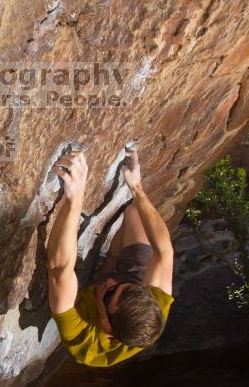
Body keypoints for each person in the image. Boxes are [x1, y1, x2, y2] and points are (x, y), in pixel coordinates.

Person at [46, 147, 174, 367]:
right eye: (124, 286)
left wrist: (74, 199)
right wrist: (136, 186)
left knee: (62, 285)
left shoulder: (86, 341)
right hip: (129, 278)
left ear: (106, 325)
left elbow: (58, 270)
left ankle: (103, 275)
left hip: (82, 305)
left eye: (111, 293)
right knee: (136, 213)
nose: (113, 283)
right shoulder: (153, 306)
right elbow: (164, 251)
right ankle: (111, 261)